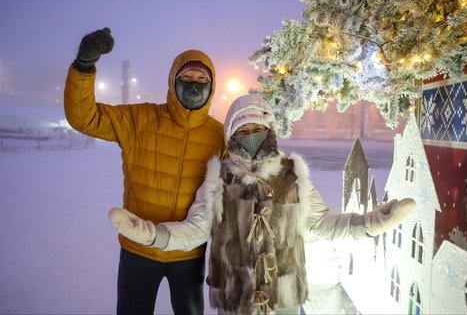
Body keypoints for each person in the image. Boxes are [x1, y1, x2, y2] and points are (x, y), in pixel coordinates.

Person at [109, 94, 415, 314]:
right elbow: (196, 229)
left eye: (258, 129)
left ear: (271, 131)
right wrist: (152, 234)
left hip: (285, 299)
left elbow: (322, 224)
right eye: (243, 130)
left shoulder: (292, 175)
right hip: (236, 300)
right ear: (231, 135)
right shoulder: (220, 179)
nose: (251, 136)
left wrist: (371, 224)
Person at [64, 27, 226, 314]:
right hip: (139, 250)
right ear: (172, 81)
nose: (193, 84)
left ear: (212, 87)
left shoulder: (219, 136)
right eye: (186, 77)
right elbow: (84, 117)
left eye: (202, 79)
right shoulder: (140, 119)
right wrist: (83, 66)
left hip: (188, 255)